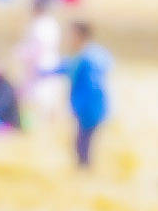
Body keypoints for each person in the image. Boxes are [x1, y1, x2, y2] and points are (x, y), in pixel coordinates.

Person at [34, 19, 113, 170]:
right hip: (91, 109)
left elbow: (92, 86)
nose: (69, 38)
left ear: (80, 35)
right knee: (81, 144)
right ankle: (84, 171)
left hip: (90, 110)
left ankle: (85, 172)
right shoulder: (91, 55)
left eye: (72, 34)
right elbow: (64, 67)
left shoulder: (87, 58)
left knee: (82, 144)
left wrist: (79, 107)